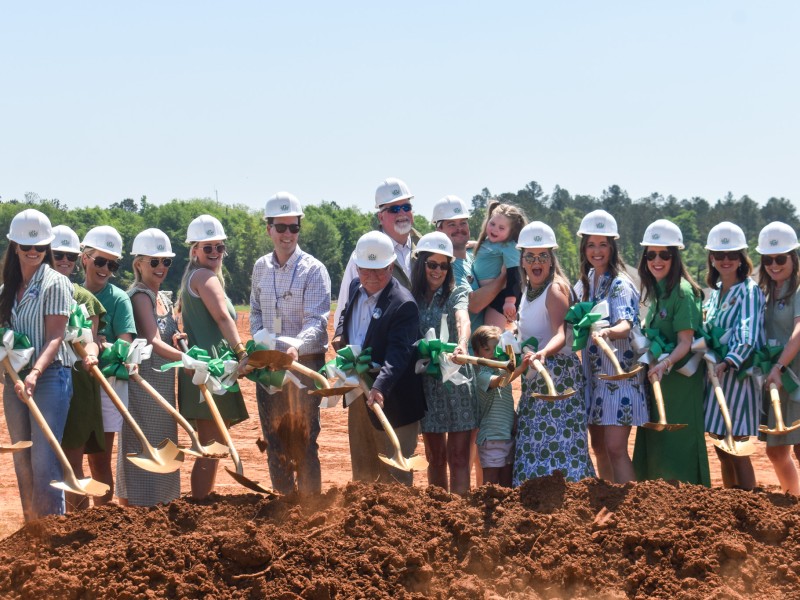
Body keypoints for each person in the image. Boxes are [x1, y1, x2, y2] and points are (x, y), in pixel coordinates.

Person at [249, 192, 331, 494]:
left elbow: (317, 320)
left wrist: (295, 345)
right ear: (268, 228)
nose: (287, 234)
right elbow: (255, 311)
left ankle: (310, 510)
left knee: (304, 441)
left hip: (304, 365)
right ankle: (284, 504)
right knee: (274, 439)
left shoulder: (313, 270)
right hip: (270, 366)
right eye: (280, 227)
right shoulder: (260, 267)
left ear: (299, 229)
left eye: (293, 228)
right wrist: (262, 344)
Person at [333, 231, 426, 486]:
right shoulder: (355, 287)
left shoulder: (403, 303)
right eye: (365, 270)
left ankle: (397, 524)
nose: (372, 277)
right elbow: (344, 315)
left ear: (392, 265)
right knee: (362, 470)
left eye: (380, 270)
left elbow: (399, 353)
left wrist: (380, 386)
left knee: (394, 478)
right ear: (357, 266)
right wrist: (340, 336)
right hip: (359, 393)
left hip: (393, 399)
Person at [0, 209, 73, 521]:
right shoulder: (5, 292)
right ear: (15, 245)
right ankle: (32, 529)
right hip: (14, 381)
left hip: (49, 377)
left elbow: (55, 337)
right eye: (27, 246)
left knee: (45, 461)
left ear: (47, 249)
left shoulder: (55, 283)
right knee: (23, 460)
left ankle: (51, 531)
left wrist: (34, 373)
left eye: (40, 247)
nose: (33, 252)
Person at [513, 222, 594, 485]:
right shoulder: (528, 291)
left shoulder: (555, 289)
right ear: (522, 260)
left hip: (558, 377)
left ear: (551, 259)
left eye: (543, 256)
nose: (536, 262)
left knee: (560, 447)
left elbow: (560, 332)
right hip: (537, 373)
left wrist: (544, 353)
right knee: (534, 445)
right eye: (530, 256)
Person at [632, 219, 710, 487]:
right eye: (651, 254)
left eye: (664, 254)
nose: (657, 260)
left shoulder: (684, 292)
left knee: (679, 443)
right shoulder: (657, 291)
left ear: (674, 256)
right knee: (657, 441)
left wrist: (664, 365)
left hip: (679, 380)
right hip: (658, 379)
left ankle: (689, 506)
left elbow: (685, 343)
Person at [573, 210, 647, 484]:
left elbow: (625, 325)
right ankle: (609, 495)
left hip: (619, 377)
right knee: (599, 448)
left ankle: (630, 507)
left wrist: (606, 330)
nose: (597, 250)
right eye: (591, 244)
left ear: (613, 247)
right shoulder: (585, 282)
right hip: (594, 378)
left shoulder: (620, 284)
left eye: (603, 244)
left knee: (616, 449)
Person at [178, 214, 249, 499]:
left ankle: (203, 501)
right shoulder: (204, 277)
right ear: (194, 250)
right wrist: (242, 352)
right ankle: (199, 505)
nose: (216, 253)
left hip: (211, 369)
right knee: (210, 446)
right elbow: (221, 317)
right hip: (209, 370)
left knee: (213, 443)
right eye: (208, 248)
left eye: (220, 247)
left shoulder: (193, 278)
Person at [117, 228, 182, 506]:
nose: (160, 268)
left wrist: (181, 340)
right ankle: (139, 512)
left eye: (165, 262)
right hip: (144, 389)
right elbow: (154, 341)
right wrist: (187, 360)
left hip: (164, 388)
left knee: (164, 445)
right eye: (153, 262)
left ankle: (163, 508)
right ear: (138, 263)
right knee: (144, 448)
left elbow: (168, 336)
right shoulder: (140, 296)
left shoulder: (164, 298)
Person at [411, 232, 476, 495]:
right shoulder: (411, 298)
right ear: (421, 264)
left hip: (457, 380)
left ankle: (461, 515)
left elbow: (463, 318)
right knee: (435, 457)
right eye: (432, 264)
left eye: (443, 265)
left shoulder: (456, 292)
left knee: (459, 457)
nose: (438, 270)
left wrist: (461, 342)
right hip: (428, 385)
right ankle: (438, 516)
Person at [702, 222, 764, 490]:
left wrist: (729, 361)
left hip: (738, 376)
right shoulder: (714, 295)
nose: (725, 260)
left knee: (737, 445)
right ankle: (729, 504)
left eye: (732, 255)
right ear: (712, 258)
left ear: (742, 258)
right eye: (719, 255)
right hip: (716, 377)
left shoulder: (749, 291)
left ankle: (748, 506)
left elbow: (748, 333)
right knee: (720, 446)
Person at [81, 225, 137, 505]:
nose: (105, 269)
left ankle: (102, 523)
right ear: (84, 259)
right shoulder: (72, 293)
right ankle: (75, 522)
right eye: (100, 261)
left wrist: (104, 344)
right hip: (77, 384)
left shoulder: (118, 299)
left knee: (99, 460)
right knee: (73, 457)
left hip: (108, 385)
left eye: (111, 264)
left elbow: (125, 346)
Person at [51, 225, 104, 512]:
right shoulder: (32, 295)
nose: (65, 261)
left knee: (72, 461)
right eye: (58, 254)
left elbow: (93, 341)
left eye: (70, 256)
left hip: (78, 387)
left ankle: (78, 525)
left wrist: (92, 354)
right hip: (44, 385)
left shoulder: (84, 299)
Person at [333, 177, 420, 329]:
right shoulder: (364, 253)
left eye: (406, 207)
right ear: (380, 217)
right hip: (379, 345)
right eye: (394, 209)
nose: (402, 213)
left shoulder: (424, 248)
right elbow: (344, 306)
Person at [757, 222, 800, 495]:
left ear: (793, 258)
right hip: (774, 377)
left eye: (780, 258)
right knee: (776, 450)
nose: (774, 265)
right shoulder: (764, 292)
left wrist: (780, 367)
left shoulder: (798, 291)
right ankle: (793, 502)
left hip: (792, 375)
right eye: (768, 259)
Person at [471, 325, 524, 487]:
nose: (493, 354)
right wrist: (521, 366)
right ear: (476, 354)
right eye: (487, 350)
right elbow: (500, 382)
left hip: (507, 436)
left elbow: (506, 400)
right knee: (491, 483)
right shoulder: (483, 375)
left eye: (497, 349)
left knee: (508, 483)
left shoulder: (502, 372)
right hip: (492, 438)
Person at [470, 201, 527, 328]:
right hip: (488, 295)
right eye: (492, 224)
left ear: (511, 232)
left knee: (492, 335)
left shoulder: (510, 246)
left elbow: (515, 274)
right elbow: (489, 249)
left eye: (501, 228)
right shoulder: (487, 242)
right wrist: (473, 244)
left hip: (502, 297)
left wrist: (509, 301)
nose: (495, 229)